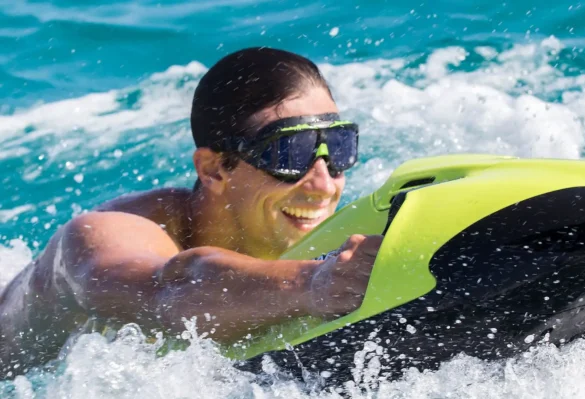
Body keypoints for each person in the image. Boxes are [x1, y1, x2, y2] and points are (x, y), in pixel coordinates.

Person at [0, 47, 382, 376]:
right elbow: (171, 293)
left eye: (338, 147)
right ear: (213, 169)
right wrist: (315, 283)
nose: (325, 185)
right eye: (290, 153)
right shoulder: (101, 236)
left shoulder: (284, 216)